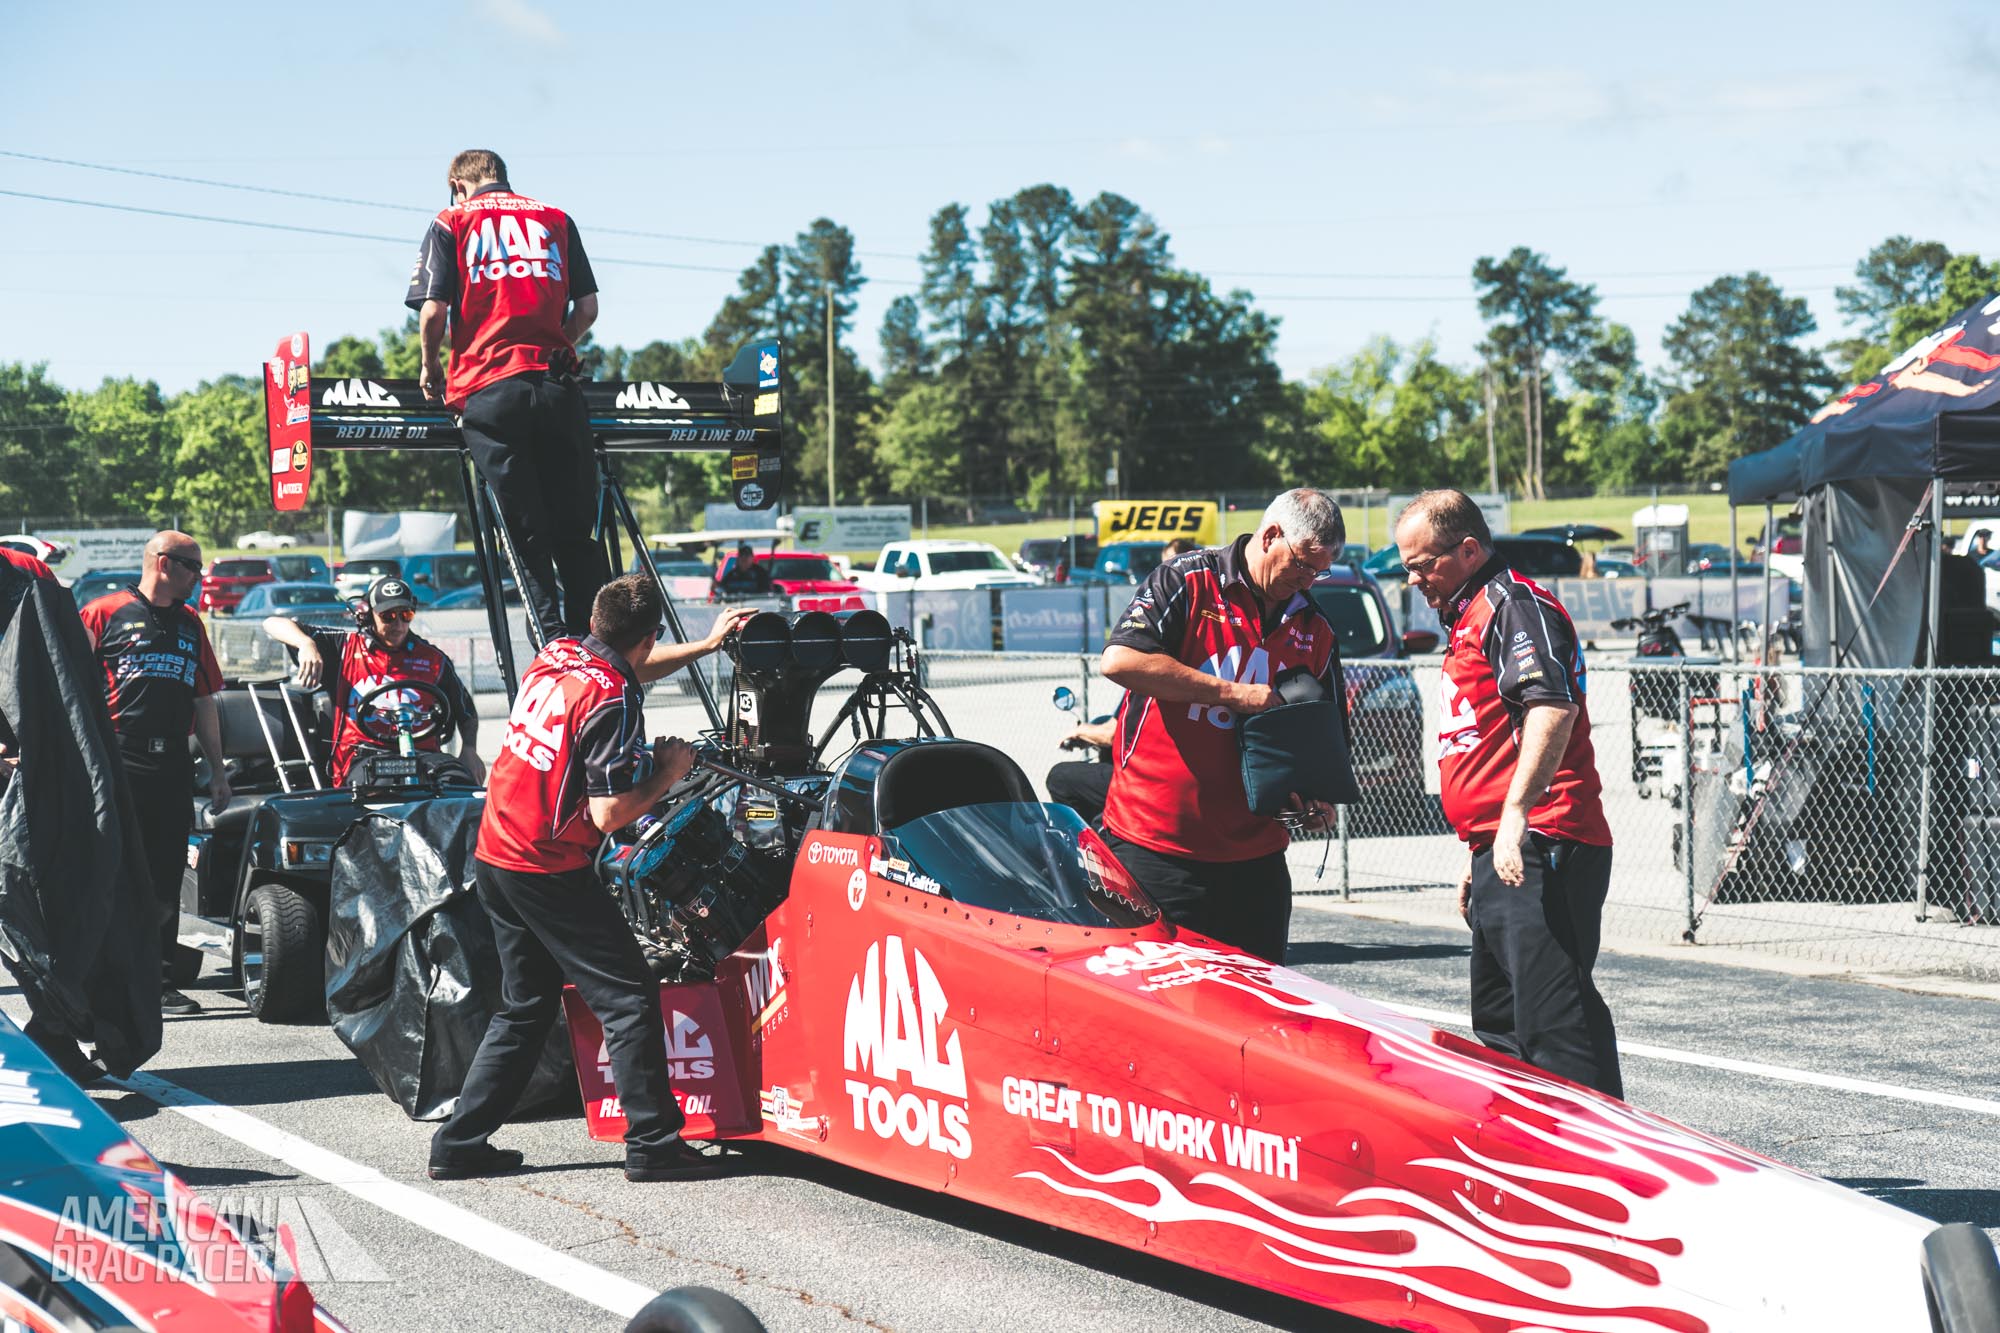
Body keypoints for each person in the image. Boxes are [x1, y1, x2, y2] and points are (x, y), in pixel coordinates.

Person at [429, 579, 755, 1182]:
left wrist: (707, 646)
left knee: (525, 1007)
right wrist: (668, 771)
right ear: (650, 635)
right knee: (628, 997)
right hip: (544, 865)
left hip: (496, 851)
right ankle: (653, 1145)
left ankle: (457, 1144)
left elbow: (630, 665)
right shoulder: (613, 699)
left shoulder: (560, 652)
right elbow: (608, 814)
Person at [1394, 489, 1620, 1097]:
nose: (1413, 579)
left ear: (1468, 550)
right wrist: (1483, 845)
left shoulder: (1513, 604)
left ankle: (1593, 1149)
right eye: (1407, 567)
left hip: (1546, 836)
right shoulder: (1470, 614)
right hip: (1505, 845)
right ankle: (1530, 1146)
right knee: (1501, 1025)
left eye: (1421, 565)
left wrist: (1515, 816)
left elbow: (1551, 707)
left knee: (1555, 1027)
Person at [1096, 489, 1347, 963]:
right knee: (1158, 998)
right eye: (1302, 564)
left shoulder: (1315, 627)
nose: (1308, 580)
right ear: (1271, 536)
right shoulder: (1187, 579)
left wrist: (1314, 799)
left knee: (1262, 1000)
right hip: (1156, 846)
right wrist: (1233, 693)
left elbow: (1323, 732)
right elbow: (1120, 661)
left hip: (1255, 861)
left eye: (1320, 571)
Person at [406, 148, 609, 640]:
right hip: (558, 388)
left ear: (458, 186)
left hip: (490, 388)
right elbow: (587, 310)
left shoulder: (452, 220)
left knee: (525, 533)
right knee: (576, 532)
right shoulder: (556, 218)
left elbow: (433, 311)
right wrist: (556, 341)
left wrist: (431, 367)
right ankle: (601, 646)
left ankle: (554, 647)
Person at [77, 532, 230, 1018]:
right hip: (117, 759)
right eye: (193, 566)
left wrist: (218, 770)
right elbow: (69, 688)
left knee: (165, 875)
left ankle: (158, 982)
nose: (199, 577)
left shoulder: (190, 623)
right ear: (164, 563)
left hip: (173, 764)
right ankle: (100, 981)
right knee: (113, 871)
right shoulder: (102, 613)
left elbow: (204, 700)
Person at [261, 577, 484, 787]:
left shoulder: (434, 659)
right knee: (387, 786)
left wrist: (470, 749)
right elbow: (272, 623)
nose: (398, 624)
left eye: (406, 615)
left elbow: (466, 711)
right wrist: (306, 644)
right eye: (388, 616)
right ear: (369, 615)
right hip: (365, 756)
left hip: (424, 756)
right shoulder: (344, 647)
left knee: (459, 784)